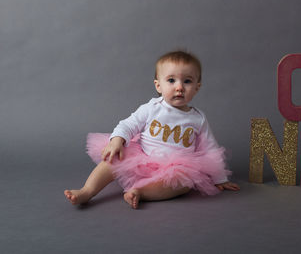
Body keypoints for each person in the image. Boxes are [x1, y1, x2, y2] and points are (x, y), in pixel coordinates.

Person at [64, 50, 240, 209]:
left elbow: (210, 150)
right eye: (171, 80)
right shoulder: (152, 108)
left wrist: (220, 179)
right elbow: (129, 124)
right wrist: (117, 140)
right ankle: (87, 191)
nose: (179, 87)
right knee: (113, 160)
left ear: (197, 87)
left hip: (175, 167)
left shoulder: (198, 118)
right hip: (142, 159)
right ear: (158, 86)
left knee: (182, 183)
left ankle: (140, 192)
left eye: (187, 81)